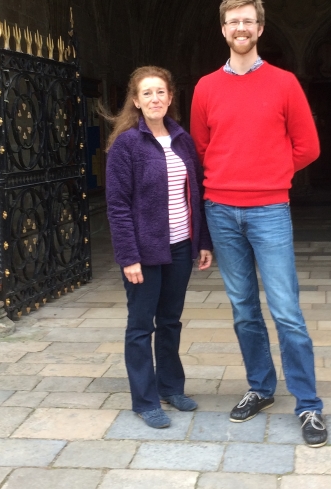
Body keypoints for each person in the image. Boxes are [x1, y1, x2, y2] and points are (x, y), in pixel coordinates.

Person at [190, 0, 327, 447]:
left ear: (260, 28)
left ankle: (308, 405)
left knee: (286, 310)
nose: (241, 29)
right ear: (223, 28)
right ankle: (261, 388)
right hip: (222, 210)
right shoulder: (206, 87)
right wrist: (229, 177)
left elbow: (308, 146)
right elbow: (202, 148)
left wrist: (270, 173)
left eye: (248, 21)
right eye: (233, 22)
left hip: (270, 209)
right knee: (244, 308)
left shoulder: (285, 83)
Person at [105, 66, 213, 429]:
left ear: (170, 97)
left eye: (161, 92)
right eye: (147, 93)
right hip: (144, 253)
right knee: (140, 326)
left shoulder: (182, 140)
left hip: (181, 247)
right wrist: (128, 256)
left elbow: (196, 194)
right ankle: (145, 401)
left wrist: (202, 241)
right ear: (136, 101)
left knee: (170, 321)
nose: (155, 99)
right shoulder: (126, 145)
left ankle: (170, 387)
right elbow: (118, 205)